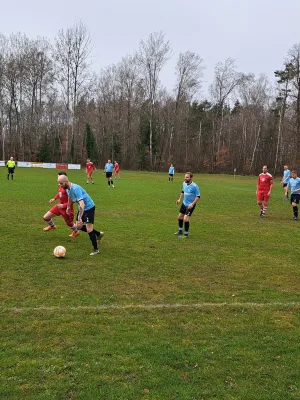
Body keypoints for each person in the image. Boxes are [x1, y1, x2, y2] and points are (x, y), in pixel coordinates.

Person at [57, 174, 104, 256]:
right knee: (78, 226)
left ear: (66, 181)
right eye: (59, 183)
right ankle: (98, 234)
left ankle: (96, 249)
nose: (60, 185)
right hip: (82, 208)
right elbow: (70, 197)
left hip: (89, 207)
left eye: (61, 183)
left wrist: (79, 217)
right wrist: (68, 207)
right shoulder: (68, 188)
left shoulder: (76, 188)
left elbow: (82, 204)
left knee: (89, 229)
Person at [43, 172, 79, 237]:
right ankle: (52, 226)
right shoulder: (60, 185)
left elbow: (73, 200)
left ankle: (76, 232)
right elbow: (59, 193)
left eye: (59, 177)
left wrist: (64, 205)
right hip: (59, 206)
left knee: (69, 223)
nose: (58, 179)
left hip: (67, 209)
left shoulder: (69, 188)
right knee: (46, 217)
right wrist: (54, 199)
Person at [174, 172, 200, 238]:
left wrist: (192, 204)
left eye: (187, 177)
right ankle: (180, 231)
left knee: (185, 219)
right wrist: (179, 199)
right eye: (185, 177)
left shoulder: (195, 186)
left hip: (190, 205)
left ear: (191, 178)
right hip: (184, 203)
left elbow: (198, 196)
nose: (185, 178)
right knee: (180, 217)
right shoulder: (184, 183)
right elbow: (183, 191)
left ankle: (186, 235)